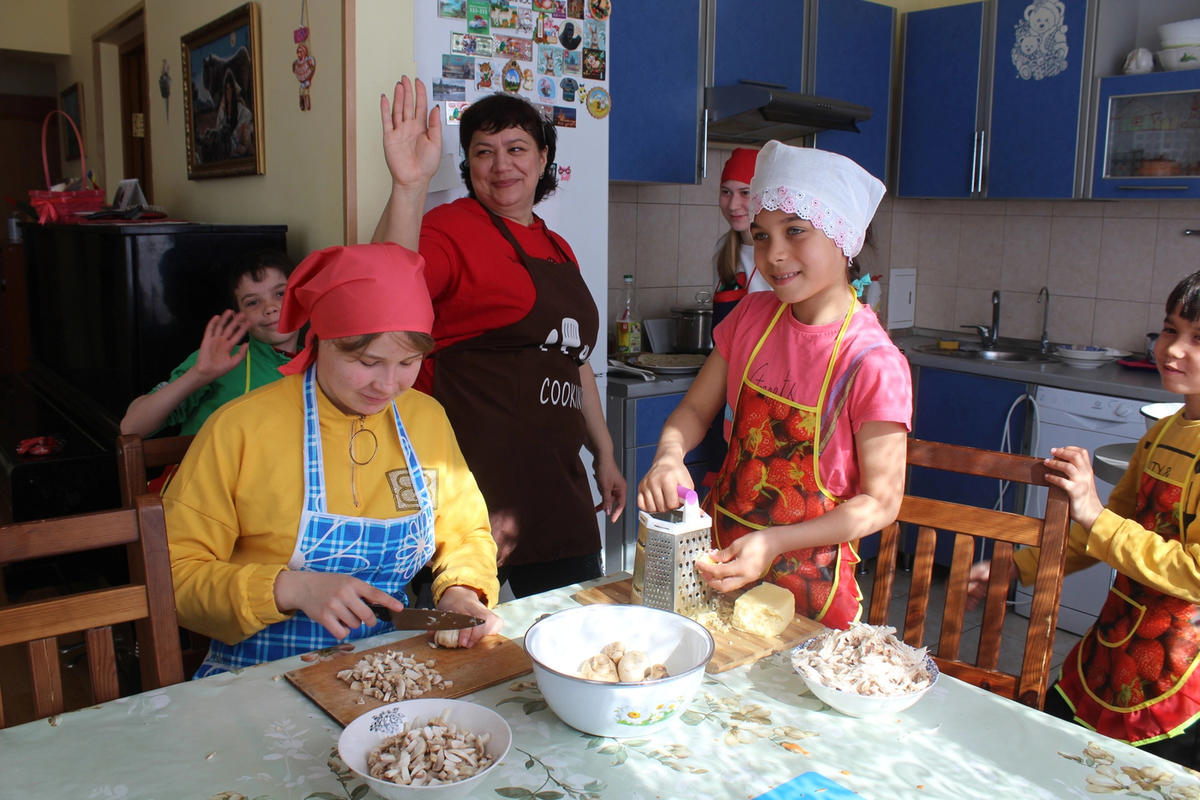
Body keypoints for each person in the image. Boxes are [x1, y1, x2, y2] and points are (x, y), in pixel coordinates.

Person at [164, 243, 501, 676]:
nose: (388, 385)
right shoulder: (240, 429)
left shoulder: (425, 418)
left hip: (390, 669)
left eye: (408, 362)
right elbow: (174, 578)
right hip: (256, 676)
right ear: (320, 341)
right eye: (368, 361)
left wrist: (462, 590)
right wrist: (288, 588)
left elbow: (465, 532)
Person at [638, 141, 911, 629]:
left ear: (843, 237)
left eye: (796, 232)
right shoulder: (752, 317)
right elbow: (695, 412)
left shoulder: (872, 361)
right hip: (721, 565)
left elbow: (882, 503)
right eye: (762, 236)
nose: (775, 254)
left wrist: (774, 543)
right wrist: (668, 455)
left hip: (811, 593)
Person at [372, 76, 625, 598]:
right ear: (468, 165)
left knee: (573, 632)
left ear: (543, 157)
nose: (501, 165)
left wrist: (603, 454)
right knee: (461, 648)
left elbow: (574, 363)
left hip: (556, 486)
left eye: (516, 148)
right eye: (483, 152)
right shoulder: (450, 228)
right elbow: (386, 286)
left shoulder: (558, 247)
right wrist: (407, 186)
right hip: (473, 485)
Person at [967, 270, 1200, 768]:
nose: (1175, 349)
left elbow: (1194, 572)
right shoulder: (1163, 434)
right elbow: (1107, 527)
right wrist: (1020, 569)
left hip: (1180, 671)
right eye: (1171, 330)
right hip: (1117, 639)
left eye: (1198, 339)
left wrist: (1093, 511)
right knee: (1057, 757)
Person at [120, 249, 299, 438]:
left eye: (280, 293)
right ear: (240, 315)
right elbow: (131, 427)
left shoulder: (319, 365)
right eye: (253, 302)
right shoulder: (219, 359)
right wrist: (198, 375)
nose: (270, 308)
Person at [713, 146, 772, 327]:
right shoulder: (723, 248)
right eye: (726, 192)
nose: (732, 205)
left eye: (745, 192)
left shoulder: (779, 253)